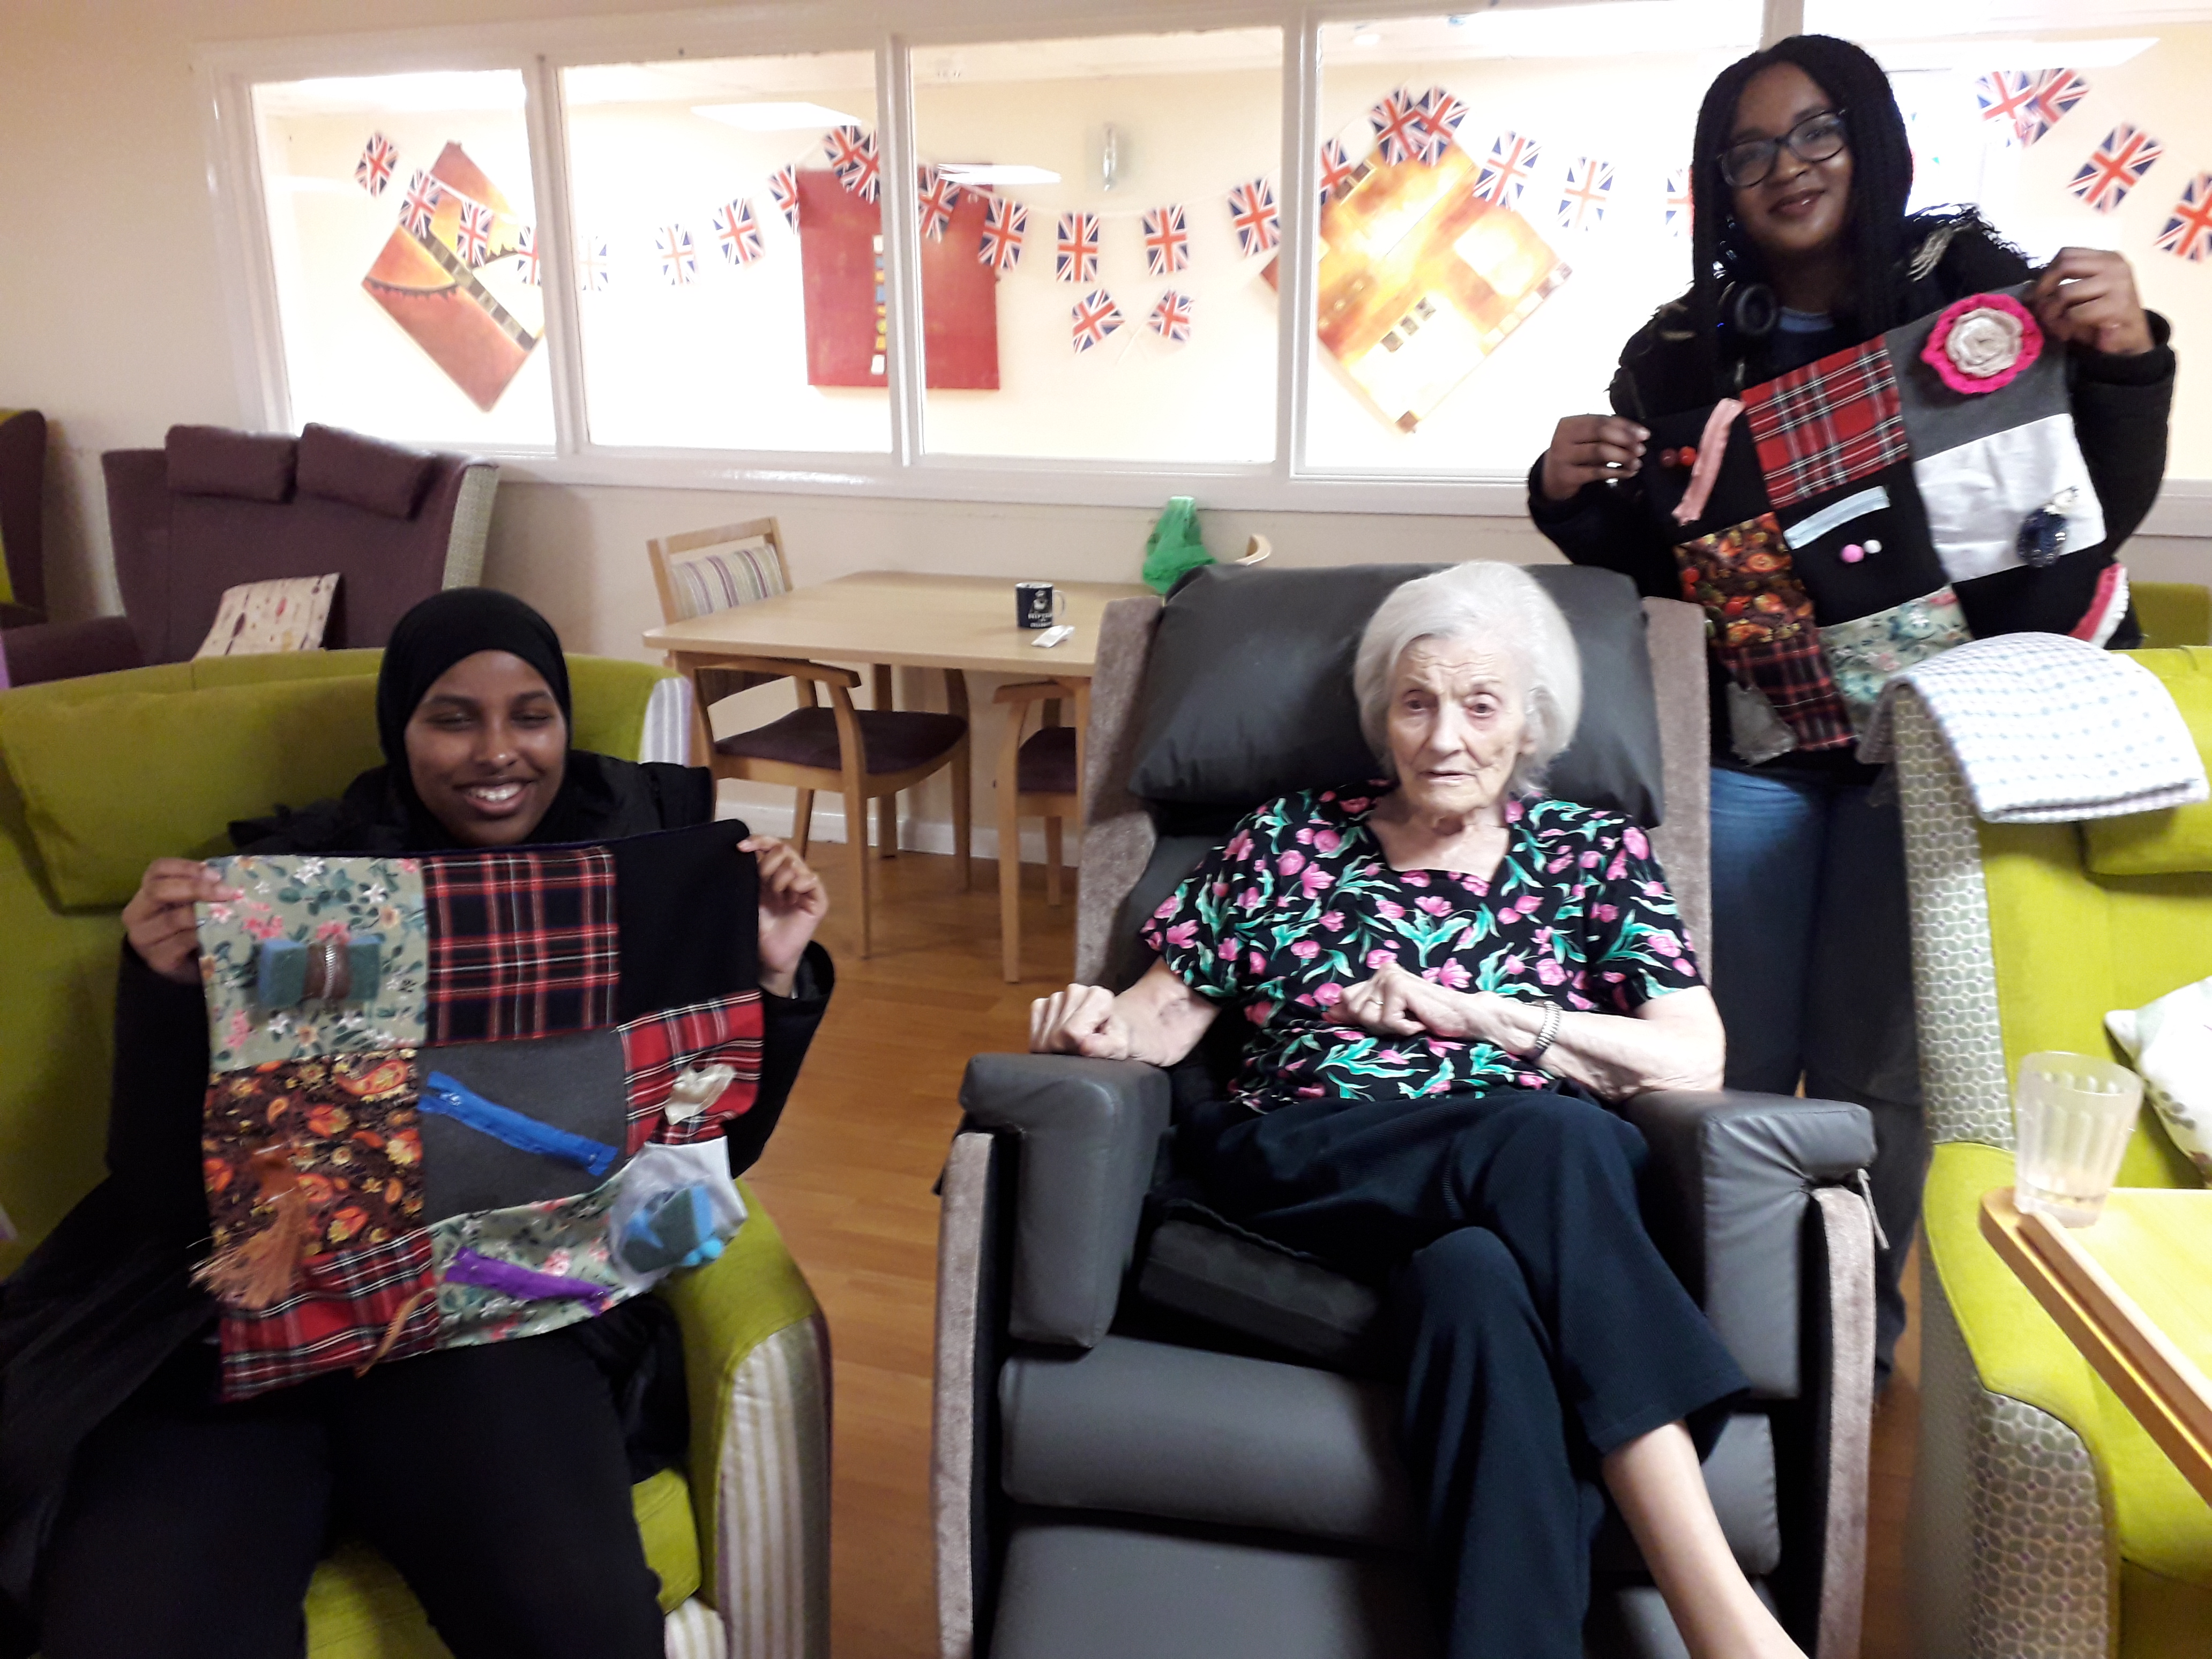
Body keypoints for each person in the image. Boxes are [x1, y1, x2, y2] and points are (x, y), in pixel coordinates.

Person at [0, 590, 832, 1659]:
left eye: (531, 716)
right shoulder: (298, 879)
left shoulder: (635, 870)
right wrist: (160, 992)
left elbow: (698, 1150)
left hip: (491, 1322)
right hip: (238, 1332)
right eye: (452, 717)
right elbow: (165, 1191)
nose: (499, 753)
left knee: (578, 1621)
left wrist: (768, 980)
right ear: (400, 729)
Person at [1525, 33, 2174, 1380]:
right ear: (1719, 185)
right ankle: (1722, 1310)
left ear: (1869, 139)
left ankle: (1851, 1328)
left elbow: (2083, 506)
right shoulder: (1678, 349)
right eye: (1750, 152)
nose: (1787, 169)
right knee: (1731, 1048)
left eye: (1815, 133)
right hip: (1759, 747)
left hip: (1940, 751)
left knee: (1889, 1067)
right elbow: (1667, 566)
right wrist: (1569, 496)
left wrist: (2124, 357)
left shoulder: (1978, 288)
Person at [1032, 563, 1801, 1659]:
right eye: (1416, 702)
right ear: (1380, 716)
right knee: (1557, 1135)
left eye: (1480, 705)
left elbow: (1692, 1054)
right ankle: (1723, 1618)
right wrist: (1091, 1030)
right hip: (1307, 1155)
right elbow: (1160, 1022)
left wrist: (1484, 1017)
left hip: (1521, 1200)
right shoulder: (1289, 838)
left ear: (1533, 721)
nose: (1445, 736)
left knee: (1476, 1281)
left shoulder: (1595, 855)